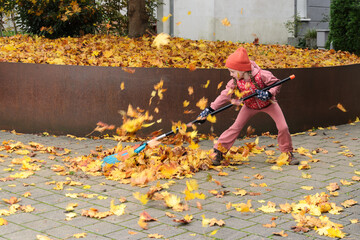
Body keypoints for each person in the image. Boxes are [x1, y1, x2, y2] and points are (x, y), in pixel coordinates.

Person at [197, 47, 299, 166]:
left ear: (242, 70)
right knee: (235, 127)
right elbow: (225, 95)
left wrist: (269, 93)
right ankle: (218, 151)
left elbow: (276, 84)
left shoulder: (262, 75)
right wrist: (210, 109)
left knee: (283, 127)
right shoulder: (235, 81)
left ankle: (287, 154)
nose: (231, 74)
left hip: (269, 104)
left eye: (232, 71)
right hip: (249, 106)